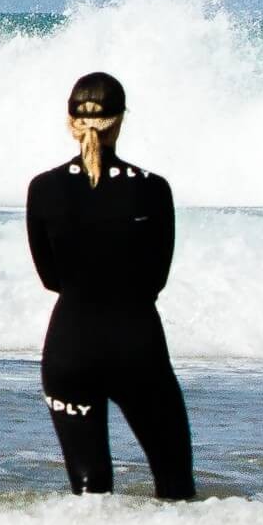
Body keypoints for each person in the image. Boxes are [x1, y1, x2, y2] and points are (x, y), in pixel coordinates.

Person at [25, 71, 194, 500]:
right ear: (119, 121)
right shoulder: (153, 190)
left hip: (69, 351)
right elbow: (155, 279)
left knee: (91, 493)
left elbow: (50, 278)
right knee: (175, 486)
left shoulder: (43, 189)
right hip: (137, 348)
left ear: (71, 122)